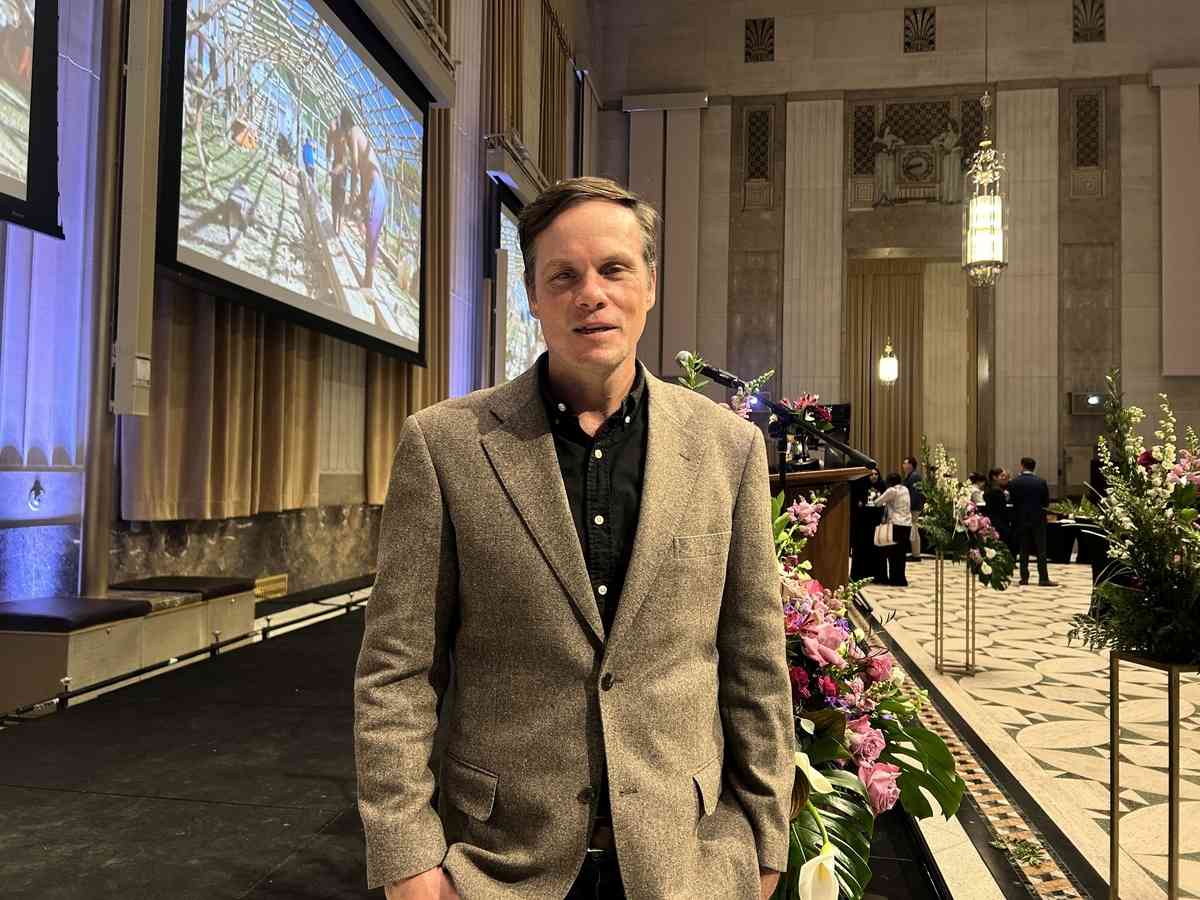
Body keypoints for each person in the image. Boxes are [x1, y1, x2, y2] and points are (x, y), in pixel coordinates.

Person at [355, 177, 792, 900]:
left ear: (650, 284)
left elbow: (755, 659)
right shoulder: (445, 445)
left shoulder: (728, 448)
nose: (591, 294)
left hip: (687, 863)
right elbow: (397, 669)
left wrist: (764, 841)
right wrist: (406, 858)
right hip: (497, 863)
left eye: (614, 269)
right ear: (533, 294)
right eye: (564, 275)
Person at [342, 107, 390, 289]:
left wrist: (352, 193)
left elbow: (355, 166)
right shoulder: (361, 138)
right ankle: (367, 281)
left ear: (345, 126)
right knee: (370, 238)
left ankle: (368, 285)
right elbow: (362, 173)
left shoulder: (353, 132)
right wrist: (357, 202)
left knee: (371, 238)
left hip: (376, 189)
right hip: (376, 190)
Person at [1008, 457, 1057, 587]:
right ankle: (1043, 578)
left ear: (1022, 465)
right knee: (1041, 549)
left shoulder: (1014, 482)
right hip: (1038, 519)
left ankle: (1024, 578)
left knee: (1023, 549)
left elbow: (1012, 501)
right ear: (1034, 467)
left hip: (1021, 519)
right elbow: (1046, 502)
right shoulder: (1041, 482)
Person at [870, 472, 913, 587]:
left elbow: (877, 502)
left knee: (893, 553)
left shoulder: (892, 490)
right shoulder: (905, 489)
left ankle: (894, 579)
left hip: (896, 524)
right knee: (901, 554)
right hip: (907, 525)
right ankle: (901, 579)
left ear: (889, 482)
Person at [325, 114, 350, 235]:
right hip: (335, 165)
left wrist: (335, 171)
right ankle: (334, 225)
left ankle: (339, 229)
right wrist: (328, 152)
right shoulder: (333, 133)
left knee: (340, 201)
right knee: (333, 199)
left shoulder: (345, 142)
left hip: (342, 171)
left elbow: (344, 163)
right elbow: (328, 148)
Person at [983, 467, 1014, 552]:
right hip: (999, 523)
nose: (1004, 478)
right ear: (994, 477)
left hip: (992, 521)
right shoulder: (996, 491)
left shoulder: (989, 488)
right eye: (1001, 476)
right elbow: (1002, 509)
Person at [902, 455, 924, 561]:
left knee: (914, 529)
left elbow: (915, 494)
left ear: (911, 465)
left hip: (914, 507)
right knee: (913, 530)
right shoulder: (910, 475)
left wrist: (909, 507)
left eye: (905, 463)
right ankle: (915, 553)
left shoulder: (914, 476)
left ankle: (916, 555)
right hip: (913, 506)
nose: (903, 465)